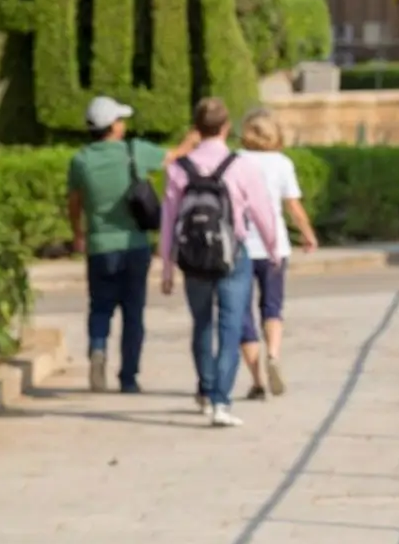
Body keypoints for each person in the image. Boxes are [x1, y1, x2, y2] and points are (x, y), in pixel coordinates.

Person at [159, 97, 280, 427]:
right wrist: (272, 249)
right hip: (232, 255)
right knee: (230, 326)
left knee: (201, 324)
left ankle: (205, 390)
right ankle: (221, 401)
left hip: (193, 258)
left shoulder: (178, 170)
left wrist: (167, 268)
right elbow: (263, 213)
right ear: (227, 127)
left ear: (196, 129)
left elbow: (168, 221)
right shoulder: (241, 167)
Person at [66, 95, 199, 394]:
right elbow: (173, 156)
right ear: (113, 127)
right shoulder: (134, 152)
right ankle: (128, 377)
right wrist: (191, 138)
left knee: (100, 308)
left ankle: (98, 349)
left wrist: (78, 233)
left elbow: (74, 203)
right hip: (134, 245)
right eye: (120, 120)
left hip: (99, 245)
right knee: (133, 313)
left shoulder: (80, 160)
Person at [235, 108, 318, 401]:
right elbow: (293, 207)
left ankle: (257, 380)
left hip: (240, 246)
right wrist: (308, 234)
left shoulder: (236, 160)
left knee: (242, 313)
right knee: (272, 307)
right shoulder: (282, 163)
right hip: (275, 246)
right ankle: (273, 354)